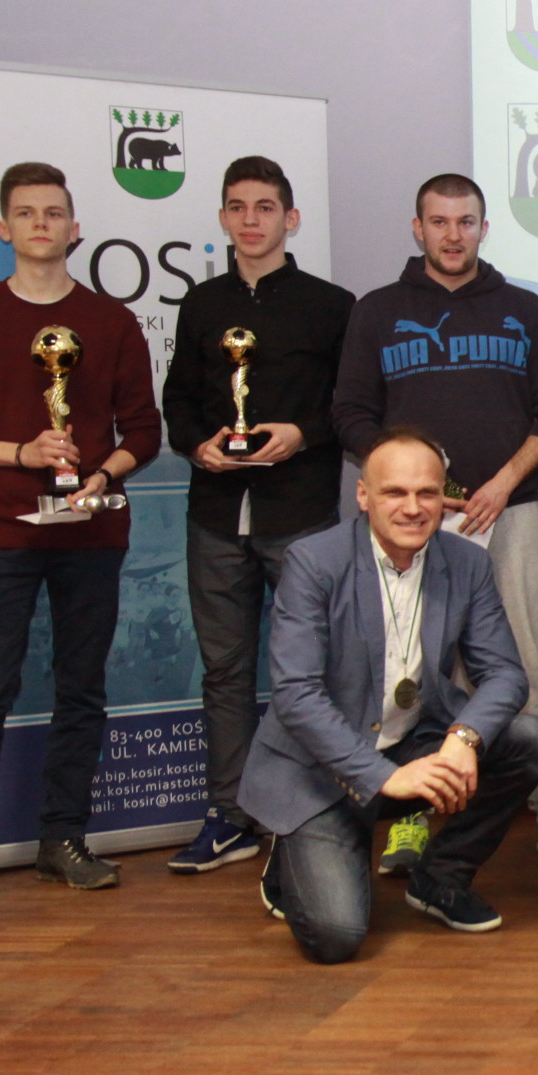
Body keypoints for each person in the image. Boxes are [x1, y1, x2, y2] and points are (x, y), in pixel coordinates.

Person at [0, 162, 163, 912]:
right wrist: (21, 454)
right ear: (4, 229)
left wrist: (102, 473)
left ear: (74, 228)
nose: (41, 224)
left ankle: (63, 838)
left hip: (91, 530)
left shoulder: (111, 322)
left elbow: (143, 431)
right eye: (26, 213)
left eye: (54, 213)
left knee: (82, 690)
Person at [332, 174, 538, 869]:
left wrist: (504, 482)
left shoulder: (523, 308)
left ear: (483, 229)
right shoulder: (377, 312)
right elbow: (350, 413)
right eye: (439, 222)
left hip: (512, 510)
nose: (452, 234)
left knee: (529, 662)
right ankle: (412, 808)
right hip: (412, 520)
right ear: (418, 228)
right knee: (412, 667)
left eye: (465, 222)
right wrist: (417, 488)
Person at [243, 427, 538, 963]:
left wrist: (463, 737)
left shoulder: (466, 563)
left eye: (427, 493)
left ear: (443, 496)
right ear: (363, 495)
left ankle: (440, 878)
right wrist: (384, 777)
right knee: (336, 937)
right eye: (395, 493)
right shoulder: (314, 562)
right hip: (322, 769)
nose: (413, 508)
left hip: (413, 742)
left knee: (529, 738)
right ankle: (292, 852)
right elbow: (296, 695)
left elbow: (505, 674)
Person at [159, 155, 354, 876]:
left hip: (300, 515)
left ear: (290, 218)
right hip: (215, 515)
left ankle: (310, 814)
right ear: (222, 218)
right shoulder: (201, 304)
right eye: (238, 207)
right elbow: (180, 398)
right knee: (225, 672)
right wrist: (197, 445)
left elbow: (350, 404)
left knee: (311, 673)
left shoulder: (332, 305)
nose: (251, 220)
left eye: (265, 207)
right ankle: (230, 817)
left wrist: (302, 433)